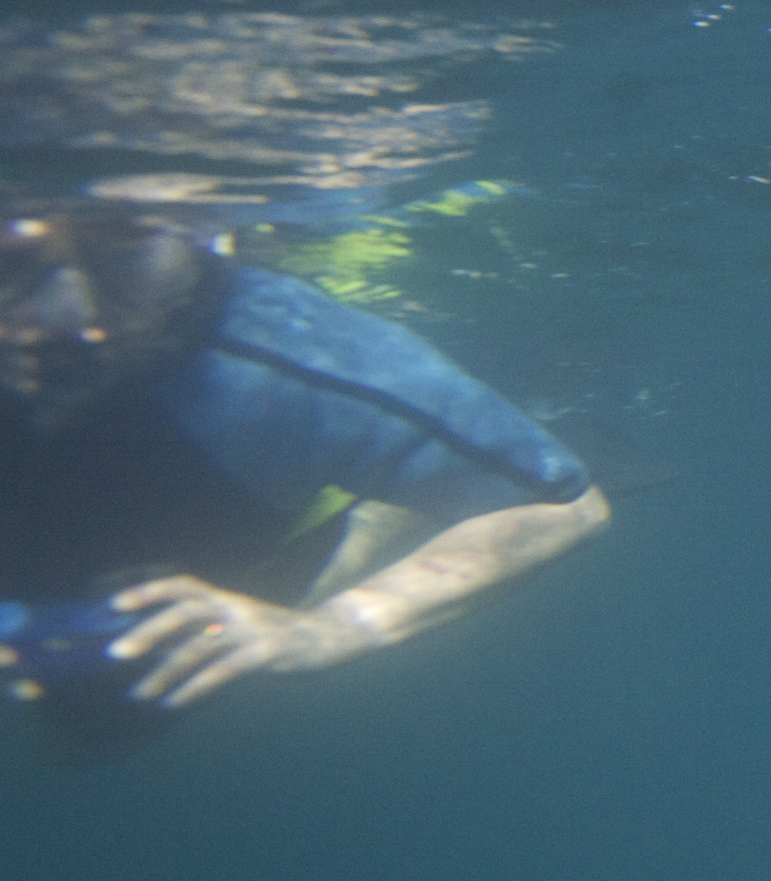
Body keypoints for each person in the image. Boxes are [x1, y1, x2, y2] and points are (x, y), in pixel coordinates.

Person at [0, 198, 608, 758]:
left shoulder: (294, 355)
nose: (73, 318)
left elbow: (563, 504)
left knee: (109, 711)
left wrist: (325, 631)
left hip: (223, 528)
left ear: (202, 227)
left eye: (127, 238)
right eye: (13, 263)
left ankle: (381, 504)